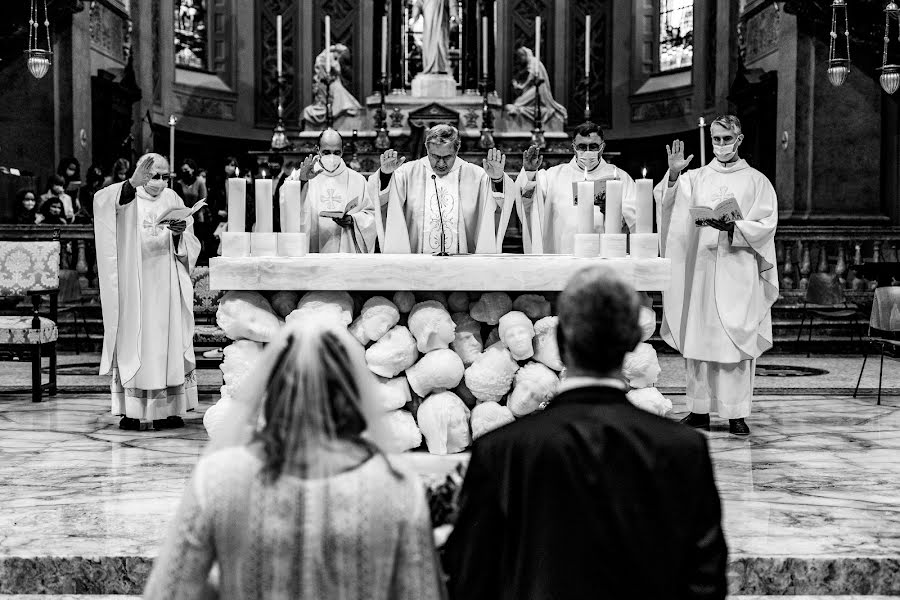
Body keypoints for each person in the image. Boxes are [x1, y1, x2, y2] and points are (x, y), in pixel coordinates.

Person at [442, 266, 728, 600]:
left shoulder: (501, 450)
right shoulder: (682, 448)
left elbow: (470, 577)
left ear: (562, 345)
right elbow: (705, 579)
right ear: (629, 343)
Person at [143, 320, 446, 600]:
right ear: (352, 396)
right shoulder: (396, 489)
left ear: (273, 392)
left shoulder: (218, 479)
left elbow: (168, 591)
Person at [654, 115, 778, 436]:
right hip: (701, 270)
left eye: (726, 139)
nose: (720, 145)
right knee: (699, 337)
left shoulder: (756, 181)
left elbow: (766, 225)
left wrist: (736, 226)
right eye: (715, 139)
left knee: (735, 341)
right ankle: (698, 410)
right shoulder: (695, 178)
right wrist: (673, 174)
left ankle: (736, 413)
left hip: (738, 269)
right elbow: (667, 204)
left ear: (740, 139)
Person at [93, 153, 200, 431]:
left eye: (165, 176)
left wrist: (178, 233)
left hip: (166, 280)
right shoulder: (126, 195)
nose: (161, 182)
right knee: (136, 341)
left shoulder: (173, 199)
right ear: (142, 173)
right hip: (134, 281)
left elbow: (189, 239)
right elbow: (102, 204)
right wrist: (130, 183)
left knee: (168, 341)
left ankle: (170, 410)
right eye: (155, 175)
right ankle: (132, 410)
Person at [370, 124, 516, 254]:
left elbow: (501, 204)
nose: (440, 163)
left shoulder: (476, 175)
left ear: (456, 151)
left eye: (447, 157)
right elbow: (382, 199)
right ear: (427, 149)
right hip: (417, 263)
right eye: (434, 156)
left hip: (463, 263)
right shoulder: (407, 172)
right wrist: (385, 175)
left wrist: (497, 179)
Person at [515, 121, 637, 254]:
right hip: (563, 253)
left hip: (606, 254)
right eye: (582, 147)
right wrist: (530, 174)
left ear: (602, 147)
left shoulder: (620, 177)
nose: (588, 151)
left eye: (594, 146)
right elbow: (529, 202)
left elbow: (636, 213)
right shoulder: (552, 176)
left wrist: (614, 209)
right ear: (574, 147)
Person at [288, 129, 377, 252]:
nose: (332, 157)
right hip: (312, 249)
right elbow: (286, 202)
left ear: (343, 151)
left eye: (336, 152)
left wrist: (353, 220)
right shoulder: (304, 175)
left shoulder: (358, 180)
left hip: (346, 252)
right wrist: (302, 182)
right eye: (326, 152)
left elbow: (371, 215)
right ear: (317, 149)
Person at [505, 47, 568, 128]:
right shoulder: (529, 63)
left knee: (517, 103)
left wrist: (522, 87)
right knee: (517, 102)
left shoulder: (533, 61)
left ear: (524, 55)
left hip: (538, 89)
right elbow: (523, 73)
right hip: (533, 88)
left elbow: (531, 76)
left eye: (520, 57)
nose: (519, 60)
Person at [411, 0, 458, 74]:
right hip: (429, 21)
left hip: (442, 20)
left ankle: (442, 68)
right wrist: (415, 13)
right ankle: (429, 67)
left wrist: (454, 15)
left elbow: (452, 2)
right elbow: (419, 3)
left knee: (441, 42)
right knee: (429, 44)